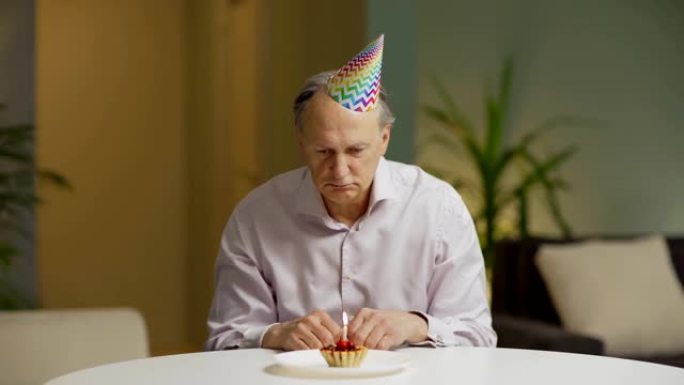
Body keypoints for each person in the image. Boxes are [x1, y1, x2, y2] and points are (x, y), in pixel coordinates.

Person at [206, 35, 496, 351]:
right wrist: (274, 334)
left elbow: (477, 338)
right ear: (301, 142)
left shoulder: (438, 208)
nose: (340, 170)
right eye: (323, 151)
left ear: (384, 138)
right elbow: (223, 343)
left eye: (356, 150)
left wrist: (415, 325)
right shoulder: (256, 216)